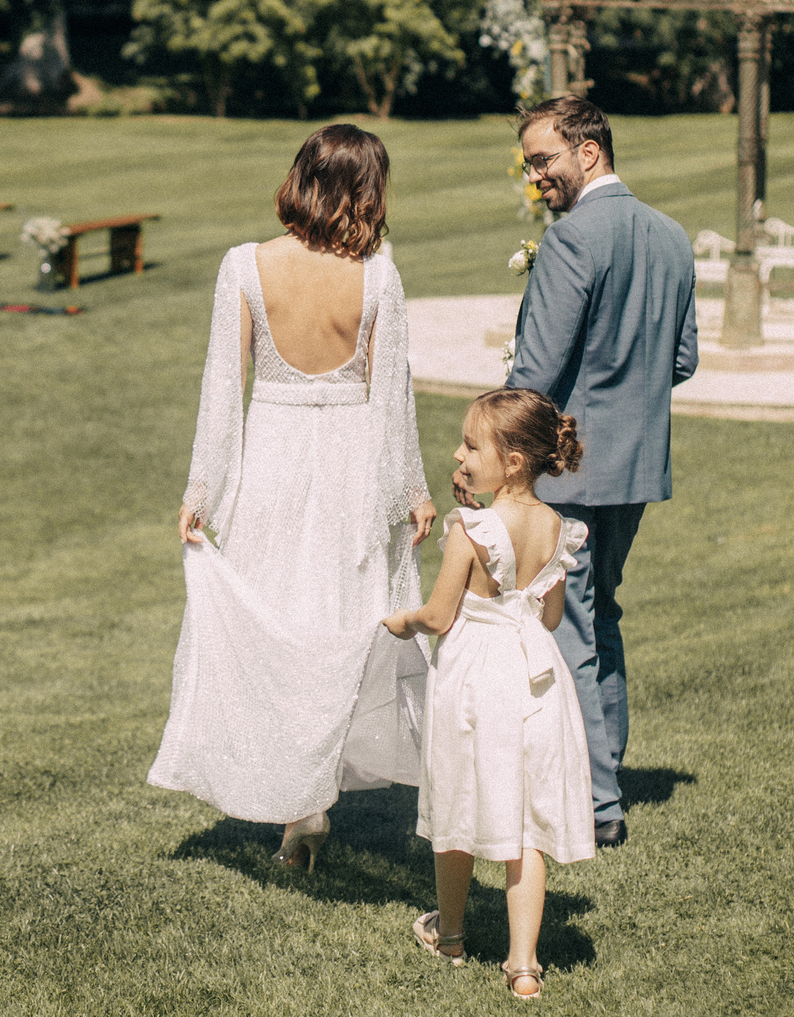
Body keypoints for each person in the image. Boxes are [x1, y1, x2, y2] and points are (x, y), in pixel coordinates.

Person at [148, 124, 439, 867]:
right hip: (349, 460)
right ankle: (307, 803)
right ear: (366, 191)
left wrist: (203, 488)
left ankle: (300, 808)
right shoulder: (378, 276)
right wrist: (411, 488)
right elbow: (392, 395)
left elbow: (223, 386)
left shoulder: (245, 265)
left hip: (273, 456)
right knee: (337, 622)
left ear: (302, 178)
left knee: (279, 620)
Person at [500, 94, 697, 849]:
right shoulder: (672, 235)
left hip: (571, 469)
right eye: (530, 164)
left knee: (570, 625)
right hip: (636, 466)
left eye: (543, 160)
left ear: (589, 151)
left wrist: (497, 443)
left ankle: (596, 802)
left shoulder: (571, 240)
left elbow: (537, 372)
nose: (535, 176)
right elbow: (683, 359)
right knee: (599, 614)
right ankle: (605, 776)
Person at [384, 388, 595, 1002]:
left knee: (457, 800)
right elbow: (549, 617)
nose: (458, 454)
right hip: (535, 679)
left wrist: (403, 621)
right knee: (525, 821)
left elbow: (440, 615)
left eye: (472, 446)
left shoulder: (470, 530)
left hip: (476, 679)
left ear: (512, 462)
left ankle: (450, 936)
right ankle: (524, 966)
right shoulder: (556, 527)